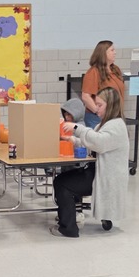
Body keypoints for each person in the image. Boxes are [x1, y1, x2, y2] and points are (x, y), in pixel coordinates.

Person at [51, 87, 129, 237]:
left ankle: (68, 229)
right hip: (98, 171)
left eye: (100, 105)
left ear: (111, 105)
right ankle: (71, 218)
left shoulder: (117, 125)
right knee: (64, 179)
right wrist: (72, 140)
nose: (95, 109)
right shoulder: (104, 124)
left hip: (105, 176)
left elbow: (99, 143)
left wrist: (77, 128)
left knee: (61, 182)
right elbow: (91, 143)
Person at [51, 98, 94, 238]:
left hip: (81, 167)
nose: (67, 117)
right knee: (62, 182)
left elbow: (83, 144)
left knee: (63, 185)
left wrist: (69, 139)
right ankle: (67, 215)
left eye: (69, 114)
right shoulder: (67, 125)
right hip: (70, 163)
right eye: (65, 114)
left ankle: (70, 223)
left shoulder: (81, 128)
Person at [81, 40, 125, 128]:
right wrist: (97, 111)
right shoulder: (93, 72)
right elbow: (85, 96)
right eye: (112, 50)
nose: (115, 52)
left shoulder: (115, 69)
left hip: (115, 115)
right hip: (98, 118)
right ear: (103, 53)